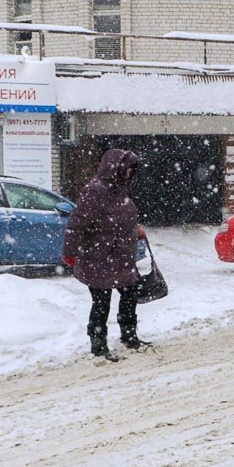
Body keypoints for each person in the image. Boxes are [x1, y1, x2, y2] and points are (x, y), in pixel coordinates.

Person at [62, 148, 151, 361]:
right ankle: (98, 345)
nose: (130, 173)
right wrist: (70, 253)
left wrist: (135, 228)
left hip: (121, 256)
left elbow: (120, 217)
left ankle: (129, 337)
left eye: (132, 169)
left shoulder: (121, 190)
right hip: (98, 257)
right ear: (116, 168)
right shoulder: (95, 191)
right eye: (127, 168)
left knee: (130, 295)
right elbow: (76, 224)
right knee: (102, 303)